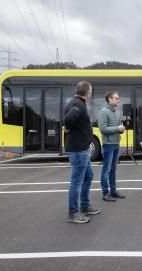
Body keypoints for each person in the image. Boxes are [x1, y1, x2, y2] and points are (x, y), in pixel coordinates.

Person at [63, 81, 101, 224]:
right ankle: (73, 213)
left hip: (81, 149)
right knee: (76, 182)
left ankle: (84, 206)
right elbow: (68, 119)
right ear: (88, 93)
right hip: (78, 150)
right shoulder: (78, 104)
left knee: (88, 176)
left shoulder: (75, 102)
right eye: (91, 91)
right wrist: (66, 126)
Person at [98, 90, 126, 202]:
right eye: (116, 98)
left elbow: (116, 128)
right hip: (108, 145)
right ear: (110, 99)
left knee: (113, 169)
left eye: (118, 98)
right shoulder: (103, 112)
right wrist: (117, 129)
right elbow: (103, 129)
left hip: (115, 144)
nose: (118, 100)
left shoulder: (115, 111)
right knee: (106, 170)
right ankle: (105, 193)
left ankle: (113, 191)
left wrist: (121, 130)